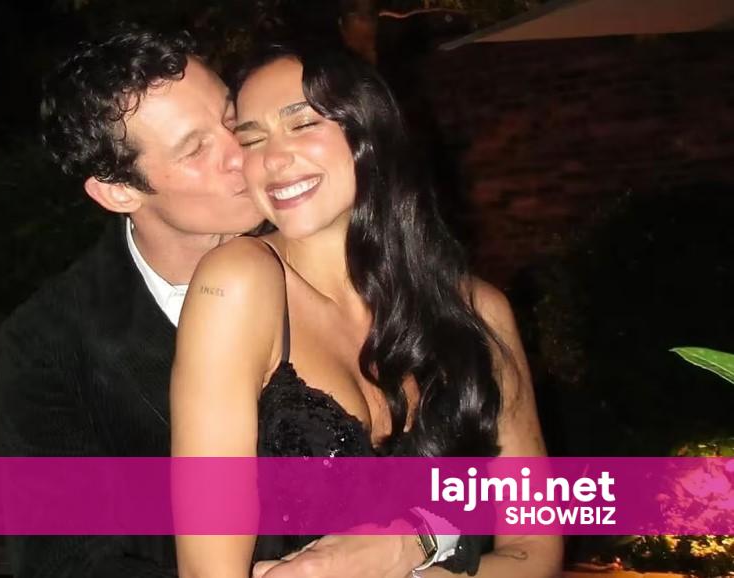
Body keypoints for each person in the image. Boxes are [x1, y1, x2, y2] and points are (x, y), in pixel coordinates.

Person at [0, 25, 481, 578]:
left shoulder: (345, 250)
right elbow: (63, 562)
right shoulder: (49, 342)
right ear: (118, 191)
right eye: (195, 148)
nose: (246, 154)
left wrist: (423, 539)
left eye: (231, 120)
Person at [170, 43, 564, 578]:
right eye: (253, 139)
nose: (272, 159)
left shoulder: (480, 312)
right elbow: (207, 570)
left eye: (302, 124)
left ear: (370, 131)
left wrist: (409, 546)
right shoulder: (238, 283)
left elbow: (536, 548)